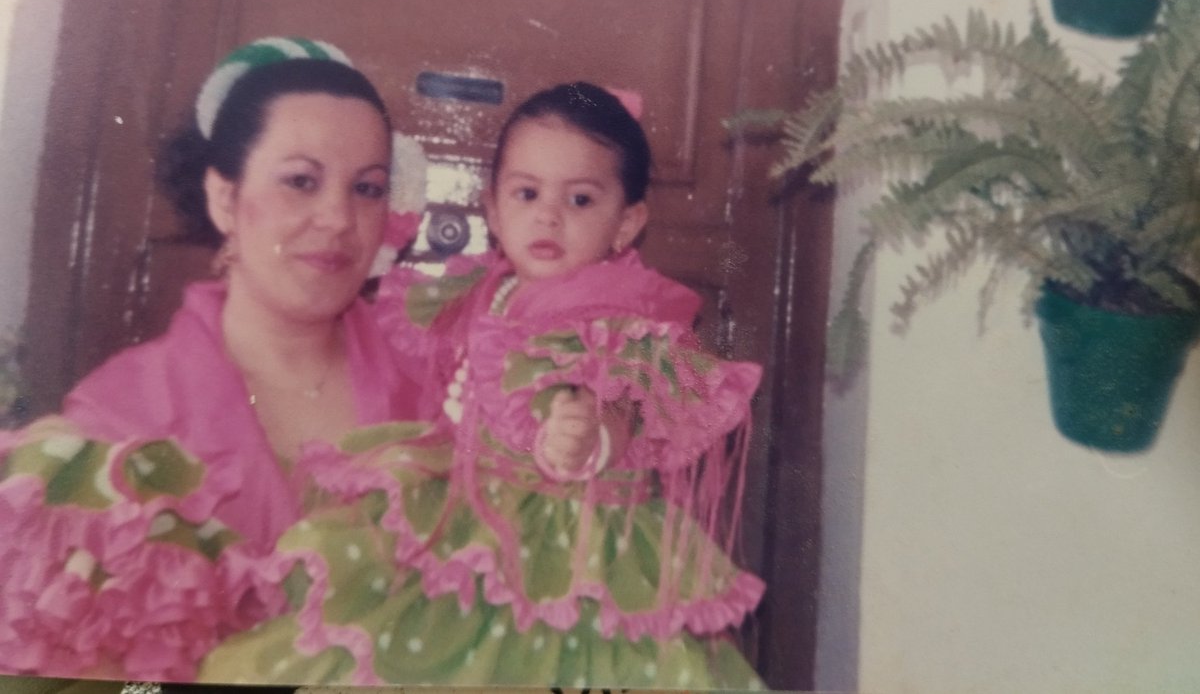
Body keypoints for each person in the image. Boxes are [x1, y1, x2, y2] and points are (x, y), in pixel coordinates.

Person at [200, 82, 767, 689]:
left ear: (626, 223)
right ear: (494, 211)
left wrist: (593, 435)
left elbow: (626, 401)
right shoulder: (477, 293)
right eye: (527, 194)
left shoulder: (618, 313)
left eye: (580, 200)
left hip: (569, 549)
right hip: (466, 520)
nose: (548, 215)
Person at [0, 38, 423, 681]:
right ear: (224, 197)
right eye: (300, 181)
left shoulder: (438, 383)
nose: (338, 218)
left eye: (366, 188)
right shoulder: (118, 414)